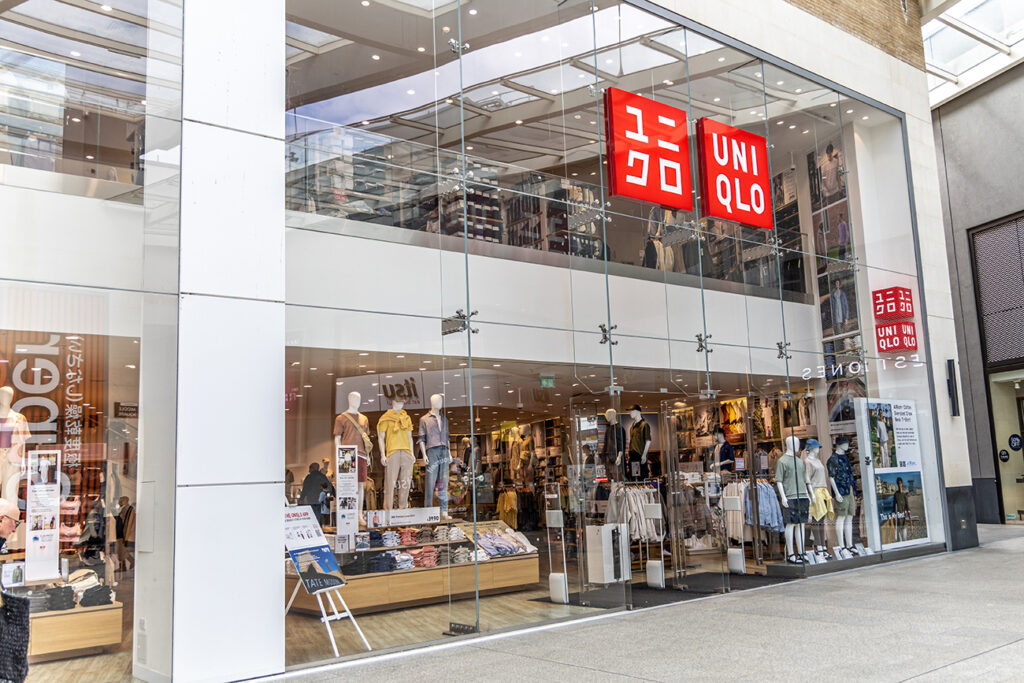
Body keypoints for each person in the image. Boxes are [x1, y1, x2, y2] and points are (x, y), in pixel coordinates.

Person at [893, 477, 911, 542]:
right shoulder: (895, 495)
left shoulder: (904, 495)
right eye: (898, 483)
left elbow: (908, 508)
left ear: (902, 484)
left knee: (904, 538)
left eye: (900, 483)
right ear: (897, 484)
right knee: (899, 539)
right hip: (898, 520)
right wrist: (892, 518)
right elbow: (893, 507)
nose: (899, 484)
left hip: (904, 520)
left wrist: (911, 521)